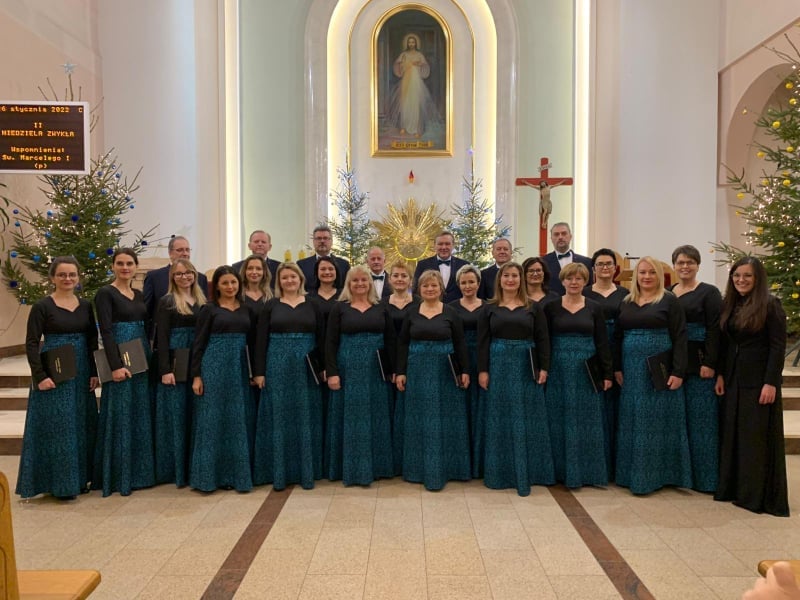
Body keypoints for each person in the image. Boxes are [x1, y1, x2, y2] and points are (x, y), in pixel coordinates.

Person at [16, 257, 99, 500]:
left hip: (81, 372)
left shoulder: (86, 305)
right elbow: (32, 343)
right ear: (52, 278)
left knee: (80, 424)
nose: (67, 279)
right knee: (59, 426)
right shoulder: (42, 306)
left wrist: (94, 372)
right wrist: (40, 376)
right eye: (62, 274)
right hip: (55, 372)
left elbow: (92, 341)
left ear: (78, 277)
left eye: (72, 274)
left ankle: (80, 479)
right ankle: (60, 484)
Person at [714, 256, 789, 516]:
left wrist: (771, 382)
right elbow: (726, 344)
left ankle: (754, 495)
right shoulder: (731, 304)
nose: (741, 280)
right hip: (733, 378)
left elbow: (777, 347)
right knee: (733, 434)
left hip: (758, 381)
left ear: (757, 279)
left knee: (753, 439)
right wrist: (721, 374)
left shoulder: (770, 304)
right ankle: (733, 488)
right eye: (737, 275)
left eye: (747, 276)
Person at [613, 256, 691, 495]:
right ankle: (630, 474)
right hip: (631, 370)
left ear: (660, 275)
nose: (647, 277)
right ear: (636, 276)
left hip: (659, 369)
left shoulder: (669, 300)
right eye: (642, 272)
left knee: (657, 419)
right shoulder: (626, 301)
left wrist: (678, 371)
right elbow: (617, 337)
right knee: (633, 418)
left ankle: (660, 475)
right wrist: (617, 367)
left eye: (652, 272)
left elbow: (680, 336)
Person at [477, 262, 553, 496]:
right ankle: (499, 472)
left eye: (515, 276)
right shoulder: (489, 308)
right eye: (506, 276)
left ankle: (529, 471)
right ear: (499, 280)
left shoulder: (533, 307)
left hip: (526, 365)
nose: (510, 280)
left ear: (521, 280)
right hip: (498, 364)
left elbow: (542, 339)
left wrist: (544, 367)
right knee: (499, 415)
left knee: (526, 415)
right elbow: (482, 342)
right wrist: (483, 370)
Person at [395, 270, 470, 490]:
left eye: (434, 285)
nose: (430, 289)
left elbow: (460, 343)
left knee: (445, 417)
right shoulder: (411, 312)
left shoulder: (451, 312)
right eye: (426, 286)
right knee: (419, 417)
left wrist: (464, 370)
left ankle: (448, 468)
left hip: (445, 372)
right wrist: (401, 371)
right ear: (419, 289)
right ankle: (417, 468)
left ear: (441, 289)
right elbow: (402, 343)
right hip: (417, 371)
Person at [253, 262, 325, 490]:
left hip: (306, 366)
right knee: (279, 412)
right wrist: (259, 372)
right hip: (277, 364)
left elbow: (322, 338)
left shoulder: (313, 304)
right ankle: (278, 470)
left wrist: (323, 367)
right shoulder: (270, 305)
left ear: (301, 279)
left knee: (305, 412)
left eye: (293, 277)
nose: (289, 281)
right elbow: (260, 340)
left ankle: (307, 469)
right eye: (285, 278)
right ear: (279, 281)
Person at [325, 265, 395, 485]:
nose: (360, 284)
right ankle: (350, 468)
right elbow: (330, 342)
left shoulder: (381, 307)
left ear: (370, 283)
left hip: (376, 370)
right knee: (351, 417)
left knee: (376, 414)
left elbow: (391, 340)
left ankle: (378, 467)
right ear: (348, 283)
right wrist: (333, 373)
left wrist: (394, 369)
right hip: (348, 369)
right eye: (355, 280)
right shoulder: (339, 308)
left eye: (364, 280)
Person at [544, 263, 612, 488]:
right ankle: (559, 471)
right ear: (562, 281)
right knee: (558, 418)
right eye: (569, 278)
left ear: (585, 281)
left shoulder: (594, 307)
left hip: (587, 370)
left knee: (587, 419)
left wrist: (607, 373)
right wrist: (544, 368)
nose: (574, 282)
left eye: (579, 278)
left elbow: (602, 342)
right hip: (558, 369)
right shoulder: (551, 307)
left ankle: (588, 472)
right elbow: (544, 341)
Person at [93, 248, 155, 497]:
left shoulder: (138, 294)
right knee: (120, 412)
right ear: (113, 266)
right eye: (120, 263)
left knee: (139, 411)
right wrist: (115, 365)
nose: (125, 267)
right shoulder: (105, 293)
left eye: (129, 263)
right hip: (120, 357)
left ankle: (140, 473)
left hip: (140, 355)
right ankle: (120, 476)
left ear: (136, 266)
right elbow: (106, 331)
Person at [189, 265, 256, 493]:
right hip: (214, 366)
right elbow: (198, 343)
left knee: (237, 419)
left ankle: (237, 476)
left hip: (239, 367)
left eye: (233, 282)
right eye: (225, 283)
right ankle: (208, 477)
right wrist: (197, 376)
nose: (230, 286)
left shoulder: (247, 309)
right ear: (217, 286)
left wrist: (253, 371)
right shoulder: (209, 309)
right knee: (212, 418)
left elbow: (252, 342)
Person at [669, 244, 722, 493]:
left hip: (699, 361)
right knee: (679, 420)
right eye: (680, 262)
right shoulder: (669, 292)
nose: (685, 266)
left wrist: (710, 362)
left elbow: (715, 329)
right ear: (674, 266)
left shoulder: (709, 293)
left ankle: (706, 479)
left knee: (702, 421)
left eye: (690, 262)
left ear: (698, 265)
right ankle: (682, 475)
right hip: (675, 361)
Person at [153, 259, 206, 487]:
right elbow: (162, 337)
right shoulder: (167, 301)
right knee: (177, 414)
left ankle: (194, 466)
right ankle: (175, 470)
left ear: (194, 274)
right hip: (177, 358)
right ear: (172, 278)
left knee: (195, 412)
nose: (184, 277)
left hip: (197, 356)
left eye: (188, 273)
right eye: (179, 274)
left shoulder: (202, 300)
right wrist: (165, 369)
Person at [583, 248, 629, 479]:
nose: (604, 268)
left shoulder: (625, 294)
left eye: (608, 264)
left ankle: (616, 461)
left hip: (619, 347)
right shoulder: (584, 292)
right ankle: (596, 460)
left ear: (615, 268)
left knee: (617, 403)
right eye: (600, 264)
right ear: (593, 269)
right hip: (591, 348)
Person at [382, 260, 421, 474]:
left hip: (412, 361)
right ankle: (391, 458)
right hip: (386, 361)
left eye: (404, 275)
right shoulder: (380, 303)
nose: (399, 279)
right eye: (396, 275)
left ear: (411, 280)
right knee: (388, 409)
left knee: (408, 409)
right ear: (390, 279)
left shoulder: (420, 303)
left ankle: (409, 456)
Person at [448, 264, 485, 477]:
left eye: (471, 282)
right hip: (459, 359)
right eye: (463, 282)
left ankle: (479, 457)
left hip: (481, 357)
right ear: (458, 285)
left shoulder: (488, 306)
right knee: (460, 405)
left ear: (478, 284)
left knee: (480, 405)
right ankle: (460, 457)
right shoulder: (450, 308)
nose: (468, 286)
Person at [386, 33, 439, 137]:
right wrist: (403, 65)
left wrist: (419, 64)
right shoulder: (404, 54)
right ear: (407, 43)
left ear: (416, 43)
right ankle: (404, 126)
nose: (411, 44)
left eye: (413, 42)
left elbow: (425, 66)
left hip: (416, 82)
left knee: (415, 103)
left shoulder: (419, 55)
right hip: (406, 81)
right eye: (409, 42)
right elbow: (398, 65)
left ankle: (416, 128)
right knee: (405, 103)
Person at [143, 236, 208, 318]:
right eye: (180, 250)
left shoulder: (201, 278)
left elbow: (205, 310)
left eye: (187, 250)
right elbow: (147, 311)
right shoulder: (154, 277)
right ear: (170, 253)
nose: (185, 253)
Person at [413, 231, 469, 303]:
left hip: (457, 308)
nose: (444, 247)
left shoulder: (464, 265)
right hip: (431, 306)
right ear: (434, 245)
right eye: (440, 244)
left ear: (453, 245)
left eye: (447, 244)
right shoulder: (423, 264)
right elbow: (416, 289)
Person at [541, 223, 592, 295]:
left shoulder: (587, 262)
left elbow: (589, 287)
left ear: (570, 236)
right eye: (556, 234)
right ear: (551, 239)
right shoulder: (543, 262)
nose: (560, 237)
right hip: (552, 301)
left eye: (564, 233)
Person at [297, 225, 351, 290]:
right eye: (319, 238)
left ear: (331, 241)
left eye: (325, 238)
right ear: (313, 241)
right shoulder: (302, 265)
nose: (322, 241)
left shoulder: (344, 265)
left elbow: (347, 289)